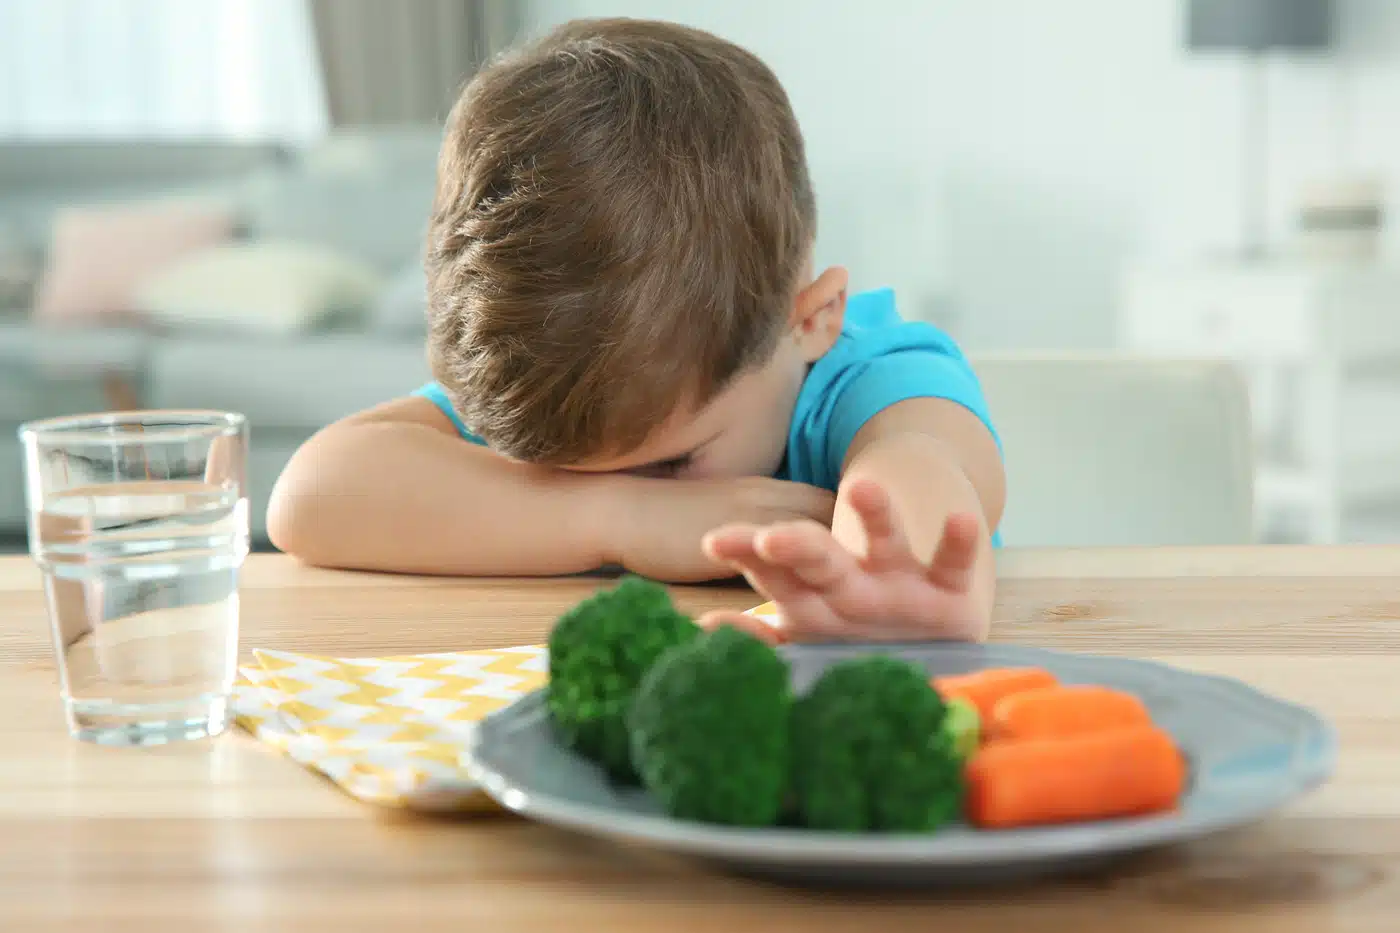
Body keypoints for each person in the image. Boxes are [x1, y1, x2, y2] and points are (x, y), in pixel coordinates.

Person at [267, 18, 1006, 643]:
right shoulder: (563, 370)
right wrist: (626, 515)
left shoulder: (869, 378)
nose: (612, 484)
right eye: (549, 474)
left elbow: (919, 467)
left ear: (810, 320)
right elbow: (308, 495)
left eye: (668, 465)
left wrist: (891, 588)